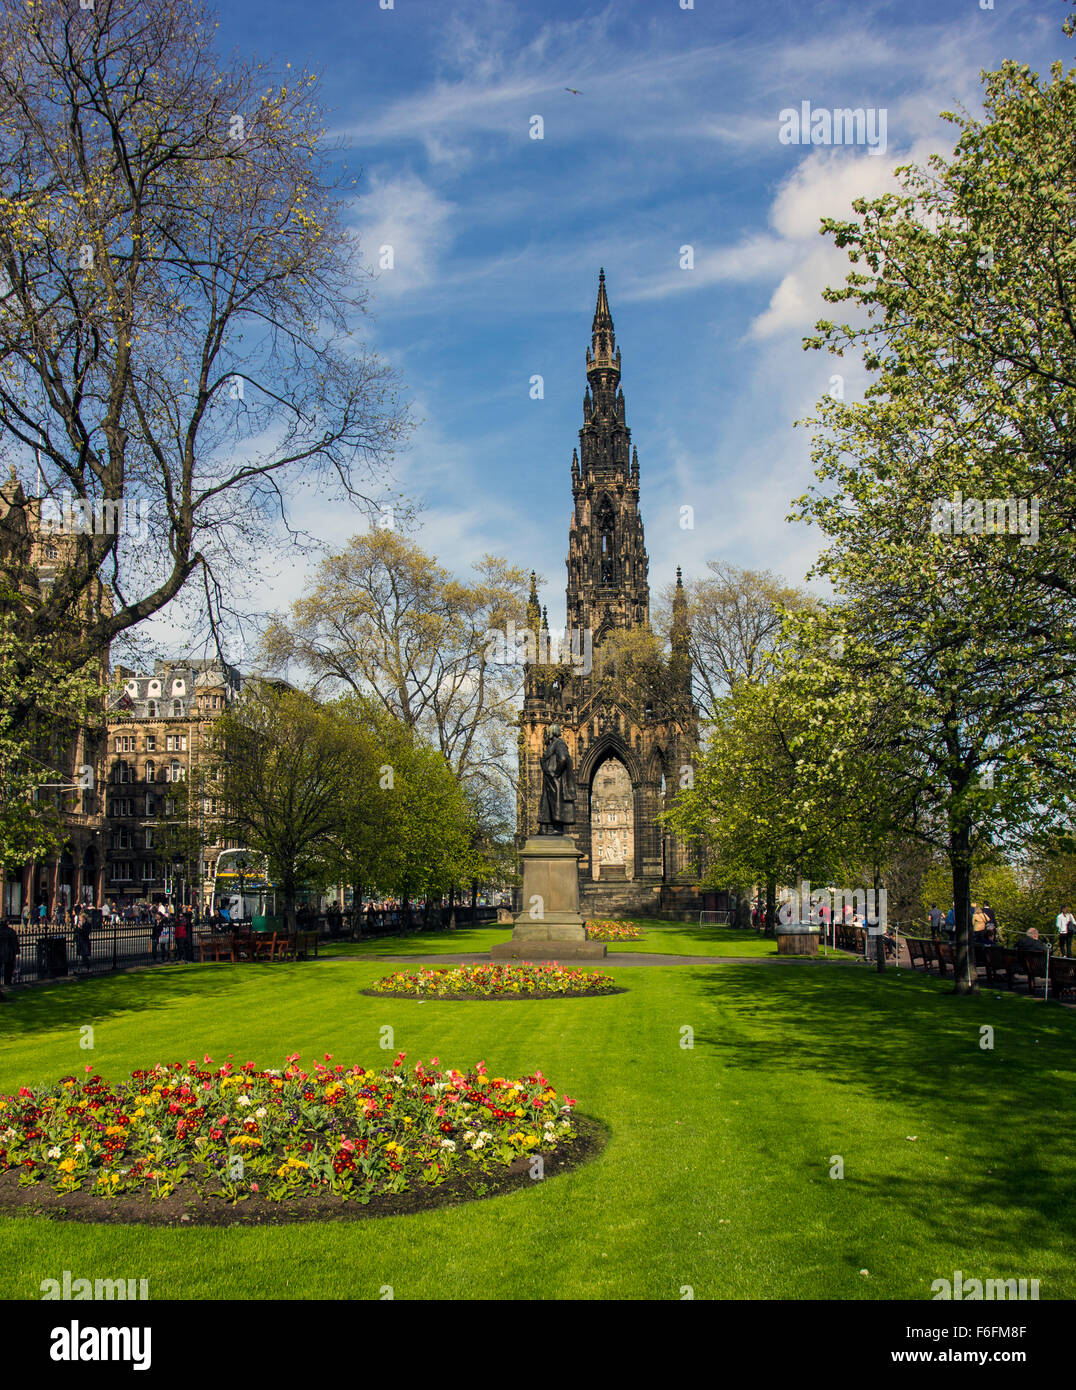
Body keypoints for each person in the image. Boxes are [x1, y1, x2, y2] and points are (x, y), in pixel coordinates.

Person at [0, 918, 19, 997]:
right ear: (7, 923)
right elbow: (15, 943)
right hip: (9, 952)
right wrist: (17, 952)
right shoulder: (11, 931)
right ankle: (7, 982)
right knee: (8, 968)